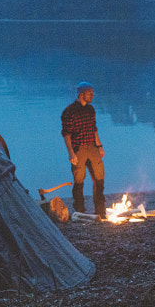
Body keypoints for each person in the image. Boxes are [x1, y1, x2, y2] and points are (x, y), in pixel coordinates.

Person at [61, 81, 106, 219]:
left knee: (99, 179)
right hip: (78, 149)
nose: (93, 95)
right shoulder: (69, 111)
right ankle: (80, 211)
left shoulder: (90, 110)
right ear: (82, 94)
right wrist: (71, 153)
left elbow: (94, 129)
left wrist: (99, 146)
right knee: (79, 181)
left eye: (92, 92)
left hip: (92, 147)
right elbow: (66, 134)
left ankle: (100, 211)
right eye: (90, 93)